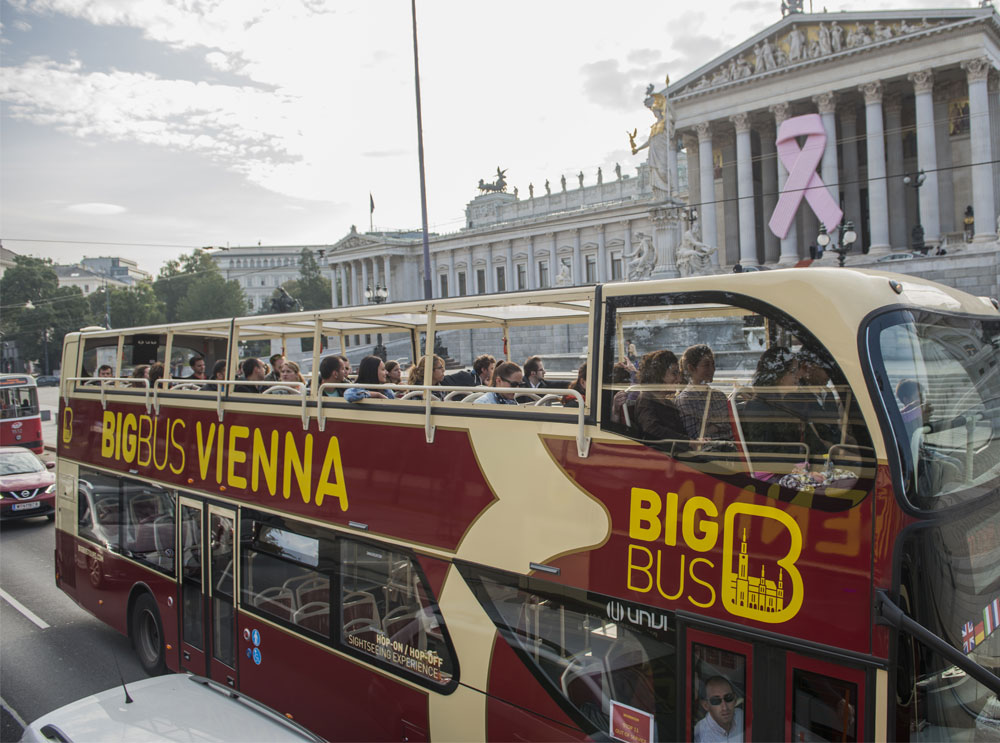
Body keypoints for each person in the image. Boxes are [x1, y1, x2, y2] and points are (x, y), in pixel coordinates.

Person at [740, 346, 805, 454]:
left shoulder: (782, 402)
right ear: (779, 374)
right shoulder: (759, 407)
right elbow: (764, 452)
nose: (798, 376)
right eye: (793, 371)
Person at [633, 350, 689, 450]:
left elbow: (680, 431)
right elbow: (651, 429)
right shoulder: (645, 399)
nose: (679, 379)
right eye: (674, 373)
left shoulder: (668, 403)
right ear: (659, 374)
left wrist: (694, 441)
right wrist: (688, 442)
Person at [676, 345, 731, 443]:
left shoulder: (720, 396)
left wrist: (712, 427)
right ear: (691, 368)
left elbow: (730, 428)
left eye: (713, 364)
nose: (712, 369)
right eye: (706, 365)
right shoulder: (686, 400)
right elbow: (696, 435)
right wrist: (719, 425)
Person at [693, 676, 744, 742]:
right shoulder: (699, 736)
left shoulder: (742, 717)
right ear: (706, 706)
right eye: (716, 701)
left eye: (728, 698)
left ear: (735, 699)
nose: (725, 707)